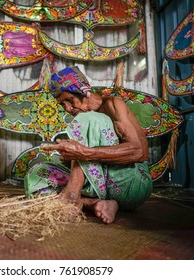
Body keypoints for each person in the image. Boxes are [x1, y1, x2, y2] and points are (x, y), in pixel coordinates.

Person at [24, 66, 153, 224]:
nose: (68, 109)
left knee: (89, 119)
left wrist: (84, 153)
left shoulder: (113, 104)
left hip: (132, 183)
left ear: (84, 90)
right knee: (38, 174)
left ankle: (72, 195)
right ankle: (95, 204)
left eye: (70, 100)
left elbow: (137, 152)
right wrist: (73, 156)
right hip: (103, 190)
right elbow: (87, 158)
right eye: (62, 104)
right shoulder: (82, 119)